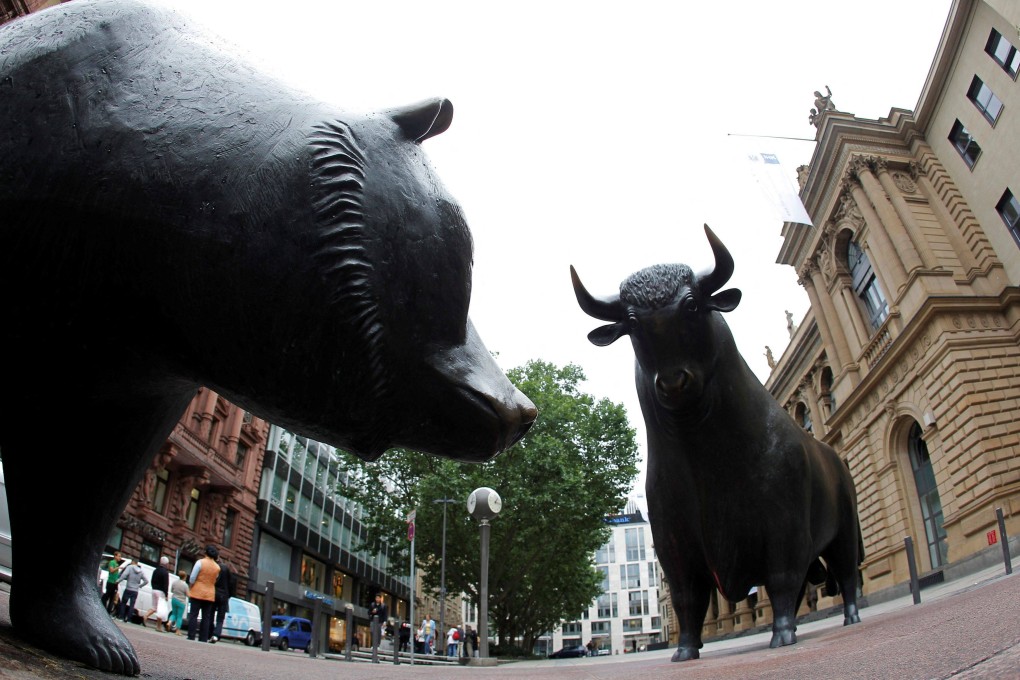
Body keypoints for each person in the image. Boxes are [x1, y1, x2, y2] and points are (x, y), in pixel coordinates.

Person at [186, 545, 221, 642]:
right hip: (209, 593)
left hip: (197, 591)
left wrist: (191, 586)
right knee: (206, 617)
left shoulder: (200, 562)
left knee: (193, 615)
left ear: (205, 553)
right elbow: (215, 579)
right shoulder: (217, 567)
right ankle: (203, 638)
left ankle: (191, 635)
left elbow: (192, 577)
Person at [211, 558, 237, 643]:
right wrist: (228, 596)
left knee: (210, 614)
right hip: (224, 596)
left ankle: (209, 632)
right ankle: (216, 635)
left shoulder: (216, 570)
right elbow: (232, 587)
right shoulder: (229, 575)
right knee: (220, 618)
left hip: (214, 594)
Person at [142, 556, 171, 630]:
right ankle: (158, 627)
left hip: (154, 590)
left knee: (154, 607)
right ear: (166, 564)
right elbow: (166, 585)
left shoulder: (155, 570)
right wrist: (166, 595)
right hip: (161, 592)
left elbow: (152, 580)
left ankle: (146, 615)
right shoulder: (165, 573)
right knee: (160, 609)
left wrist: (154, 587)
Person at [117, 557, 148, 622]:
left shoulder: (129, 567)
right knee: (132, 605)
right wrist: (140, 586)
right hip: (135, 590)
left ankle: (121, 617)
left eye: (131, 562)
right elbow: (146, 581)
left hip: (128, 588)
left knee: (123, 603)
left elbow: (124, 575)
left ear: (133, 562)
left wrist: (118, 580)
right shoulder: (141, 571)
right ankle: (129, 619)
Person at [100, 550, 122, 614]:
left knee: (112, 598)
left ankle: (108, 611)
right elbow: (111, 570)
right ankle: (103, 608)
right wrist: (118, 568)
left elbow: (116, 575)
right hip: (110, 582)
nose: (120, 558)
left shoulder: (117, 564)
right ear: (115, 556)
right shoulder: (112, 562)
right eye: (119, 556)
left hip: (114, 583)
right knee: (106, 596)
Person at [169, 569, 190, 635]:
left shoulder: (174, 582)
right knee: (179, 616)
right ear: (185, 577)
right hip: (181, 601)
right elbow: (188, 595)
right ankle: (178, 631)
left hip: (174, 599)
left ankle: (169, 622)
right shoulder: (185, 585)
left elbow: (172, 590)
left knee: (173, 614)